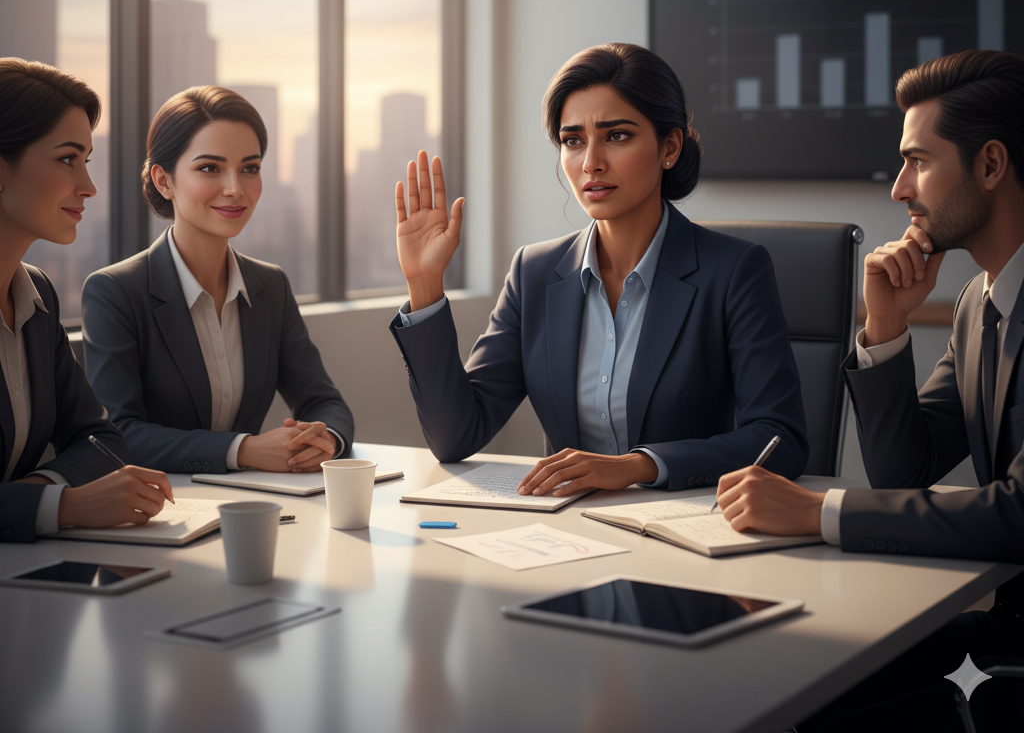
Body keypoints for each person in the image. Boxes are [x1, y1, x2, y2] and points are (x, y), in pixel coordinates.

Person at [715, 49, 1023, 731]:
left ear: (991, 165)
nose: (899, 189)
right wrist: (885, 326)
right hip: (997, 638)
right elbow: (903, 469)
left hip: (1010, 658)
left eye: (918, 161)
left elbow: (1018, 514)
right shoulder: (980, 303)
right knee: (773, 680)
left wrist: (817, 512)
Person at [390, 43, 808, 495]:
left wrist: (638, 466)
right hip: (567, 536)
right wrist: (425, 283)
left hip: (686, 527)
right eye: (573, 141)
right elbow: (456, 436)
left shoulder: (734, 271)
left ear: (669, 146)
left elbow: (779, 440)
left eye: (617, 135)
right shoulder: (534, 273)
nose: (591, 162)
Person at [81, 86, 354, 475]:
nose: (235, 188)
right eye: (210, 168)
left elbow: (325, 401)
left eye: (250, 167)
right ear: (164, 180)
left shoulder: (270, 286)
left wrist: (325, 440)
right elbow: (119, 433)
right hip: (161, 511)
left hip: (253, 506)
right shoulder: (115, 292)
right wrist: (244, 450)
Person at [0, 58, 173, 542]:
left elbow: (100, 438)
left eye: (86, 161)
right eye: (66, 159)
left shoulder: (38, 299)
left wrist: (34, 494)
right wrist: (62, 504)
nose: (89, 187)